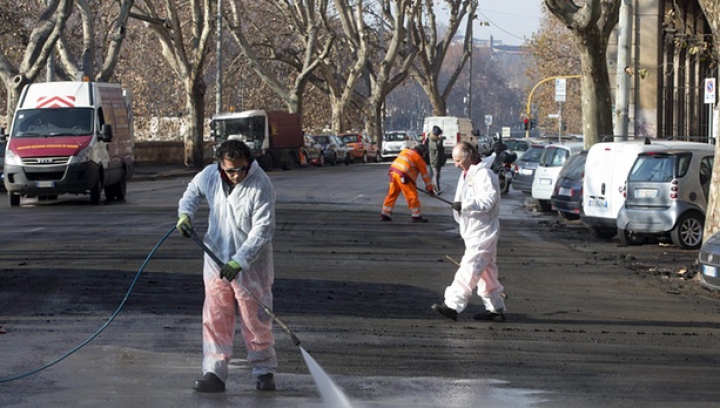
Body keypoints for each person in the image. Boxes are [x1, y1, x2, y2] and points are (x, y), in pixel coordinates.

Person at [176, 140, 278, 393]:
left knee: (255, 318)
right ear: (220, 165)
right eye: (230, 171)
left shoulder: (260, 184)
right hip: (215, 257)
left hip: (252, 266)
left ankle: (264, 370)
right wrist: (185, 214)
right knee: (215, 316)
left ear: (249, 163)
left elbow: (262, 231)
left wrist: (239, 261)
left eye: (240, 170)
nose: (235, 176)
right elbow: (191, 192)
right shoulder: (210, 175)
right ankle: (214, 372)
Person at [431, 141, 507, 322]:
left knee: (470, 267)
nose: (455, 164)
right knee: (486, 272)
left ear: (469, 157)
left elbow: (489, 200)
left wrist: (465, 205)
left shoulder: (484, 175)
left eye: (458, 160)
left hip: (483, 231)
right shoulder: (468, 173)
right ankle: (496, 308)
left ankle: (453, 305)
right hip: (474, 230)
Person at [381, 144, 434, 223]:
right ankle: (416, 216)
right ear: (422, 153)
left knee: (392, 193)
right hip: (404, 177)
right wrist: (430, 189)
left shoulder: (405, 151)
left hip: (393, 173)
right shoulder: (419, 159)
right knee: (412, 195)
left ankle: (385, 213)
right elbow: (425, 176)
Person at [425, 125, 446, 195]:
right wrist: (440, 140)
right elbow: (437, 147)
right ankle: (435, 189)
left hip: (438, 160)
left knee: (436, 175)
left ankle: (433, 188)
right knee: (435, 175)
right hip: (434, 160)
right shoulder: (431, 139)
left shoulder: (435, 139)